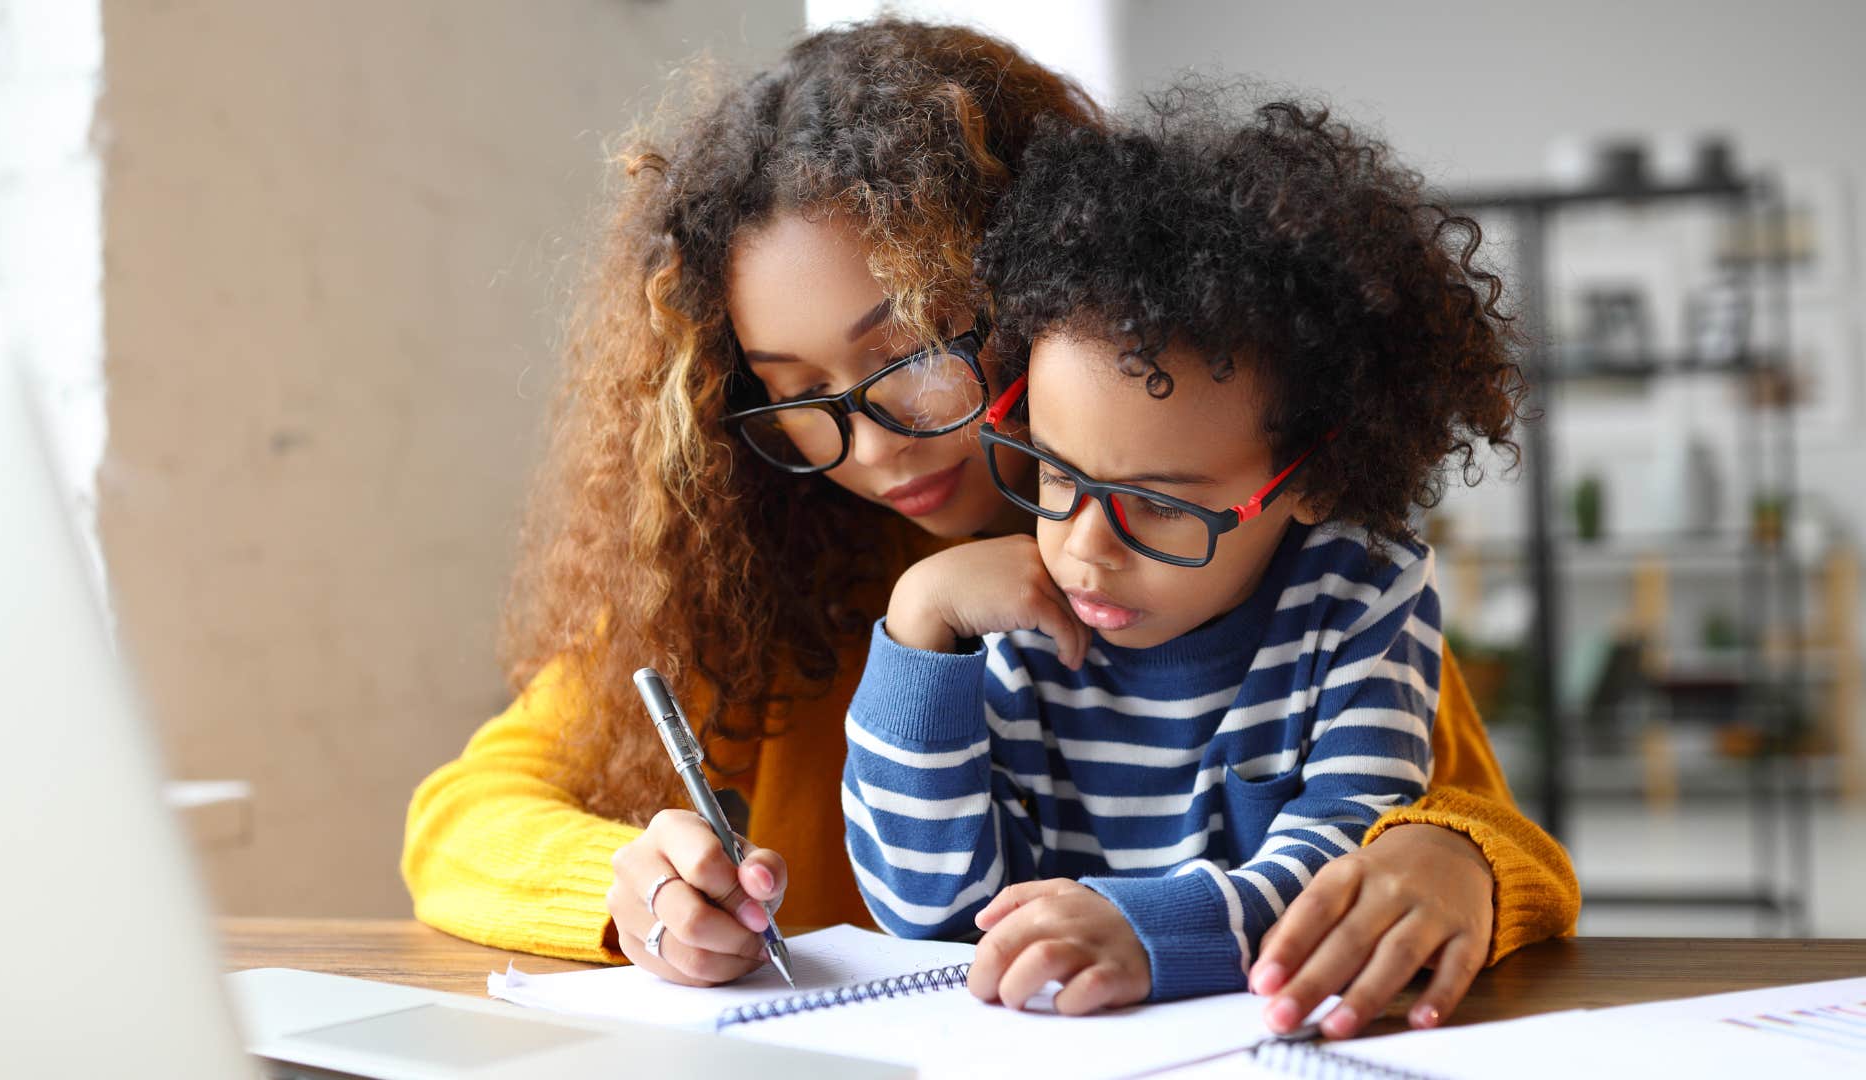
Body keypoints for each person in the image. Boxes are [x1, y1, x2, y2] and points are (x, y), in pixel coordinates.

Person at [401, 19, 1578, 1038]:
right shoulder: (744, 571)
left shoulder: (1247, 554)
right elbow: (464, 816)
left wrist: (1455, 858)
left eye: (909, 356)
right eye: (795, 393)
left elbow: (1450, 813)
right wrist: (627, 886)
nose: (870, 448)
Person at [844, 93, 1513, 1020]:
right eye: (1055, 473)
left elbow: (1348, 853)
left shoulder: (1360, 595)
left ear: (1310, 477)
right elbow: (928, 908)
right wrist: (919, 629)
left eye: (1158, 505)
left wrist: (1150, 928)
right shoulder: (1009, 619)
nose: (1085, 548)